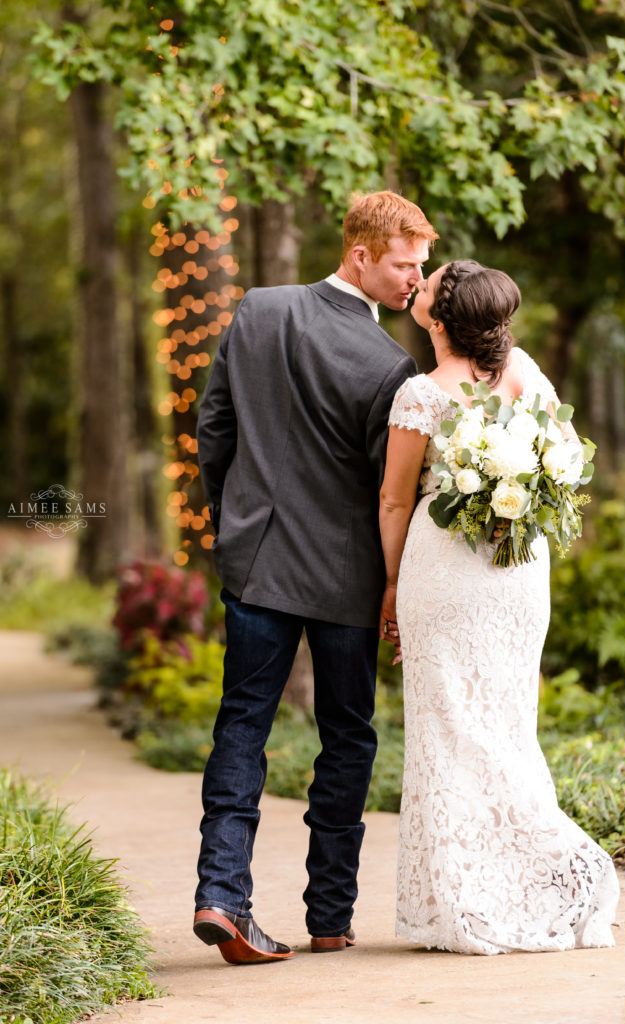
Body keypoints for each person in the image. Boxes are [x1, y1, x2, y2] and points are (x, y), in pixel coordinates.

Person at [193, 191, 438, 964]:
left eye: (422, 266)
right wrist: (394, 577)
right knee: (348, 738)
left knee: (242, 725)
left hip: (257, 561)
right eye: (404, 265)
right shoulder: (393, 367)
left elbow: (214, 428)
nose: (414, 280)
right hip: (346, 577)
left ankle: (220, 895)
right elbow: (387, 489)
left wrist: (232, 520)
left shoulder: (257, 310)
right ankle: (330, 915)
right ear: (360, 253)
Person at [379, 259, 619, 954]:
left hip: (444, 571)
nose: (418, 284)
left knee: (450, 725)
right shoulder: (522, 371)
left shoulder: (419, 395)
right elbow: (567, 462)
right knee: (504, 724)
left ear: (440, 318)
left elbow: (396, 499)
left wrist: (391, 584)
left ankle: (510, 885)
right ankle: (527, 883)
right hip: (517, 566)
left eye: (427, 285)